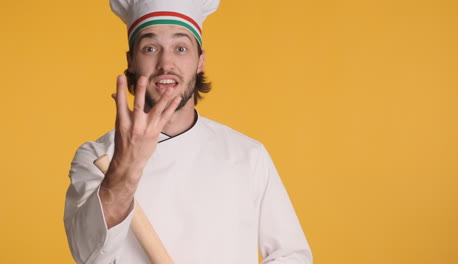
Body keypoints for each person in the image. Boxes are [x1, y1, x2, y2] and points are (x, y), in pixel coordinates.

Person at [64, 0, 312, 263]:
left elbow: (292, 255)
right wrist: (125, 170)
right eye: (150, 48)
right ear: (132, 61)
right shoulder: (97, 157)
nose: (165, 63)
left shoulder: (249, 155)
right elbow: (86, 253)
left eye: (180, 48)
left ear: (200, 61)